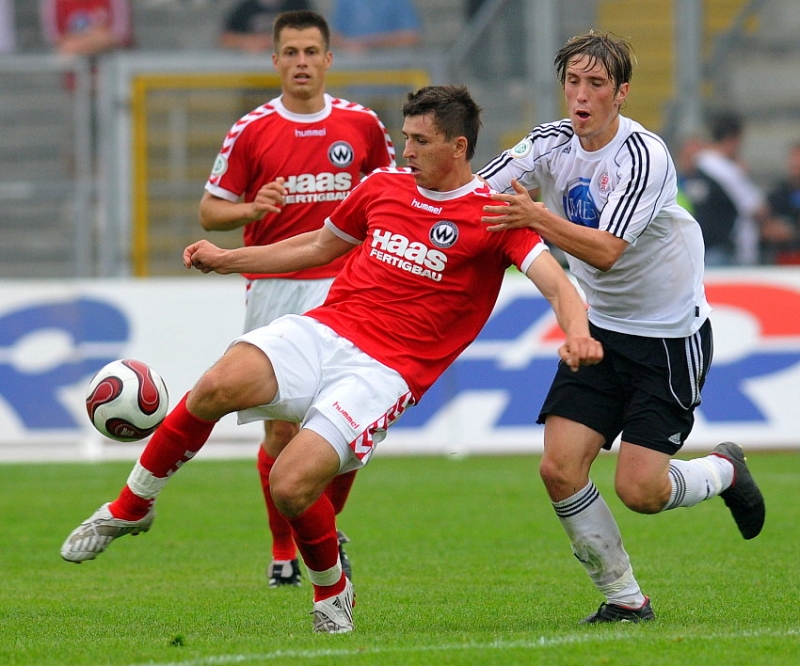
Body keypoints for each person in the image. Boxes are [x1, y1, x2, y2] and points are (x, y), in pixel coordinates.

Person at [60, 84, 604, 634]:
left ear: (458, 146)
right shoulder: (382, 186)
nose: (406, 151)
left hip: (385, 372)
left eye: (420, 141)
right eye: (405, 137)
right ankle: (133, 505)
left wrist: (577, 333)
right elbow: (318, 246)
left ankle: (331, 593)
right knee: (215, 385)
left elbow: (559, 287)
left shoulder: (495, 214)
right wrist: (230, 258)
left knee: (292, 484)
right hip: (325, 329)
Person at [478, 31, 766, 624]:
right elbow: (479, 192)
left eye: (596, 84)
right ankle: (625, 598)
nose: (581, 96)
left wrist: (533, 215)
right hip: (601, 330)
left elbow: (606, 250)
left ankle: (724, 469)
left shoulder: (644, 155)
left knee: (642, 492)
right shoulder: (550, 142)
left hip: (668, 338)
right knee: (558, 468)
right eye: (572, 82)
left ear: (622, 93)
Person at [200, 10, 396, 588]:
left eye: (312, 52)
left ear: (329, 59)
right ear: (275, 60)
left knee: (341, 422)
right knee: (281, 431)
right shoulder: (252, 129)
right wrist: (251, 209)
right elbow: (211, 212)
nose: (302, 62)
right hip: (275, 285)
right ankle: (284, 547)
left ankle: (325, 529)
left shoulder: (361, 125)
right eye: (291, 53)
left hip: (346, 283)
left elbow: (393, 194)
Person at [683, 111, 790, 266]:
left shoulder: (699, 164)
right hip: (724, 250)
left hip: (701, 247)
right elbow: (757, 208)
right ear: (734, 139)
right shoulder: (724, 169)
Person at [39, 0, 133, 57]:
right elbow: (59, 43)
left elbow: (119, 36)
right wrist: (97, 37)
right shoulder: (54, 2)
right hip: (73, 83)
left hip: (113, 81)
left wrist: (76, 42)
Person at [218, 0, 310, 53]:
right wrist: (246, 41)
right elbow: (225, 38)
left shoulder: (299, 5)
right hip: (254, 74)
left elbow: (314, 36)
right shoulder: (246, 7)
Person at [330, 0, 421, 52]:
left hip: (392, 73)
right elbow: (334, 37)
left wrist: (369, 44)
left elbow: (411, 37)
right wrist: (350, 46)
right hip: (356, 74)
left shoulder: (398, 2)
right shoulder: (346, 2)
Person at [765, 140, 800, 264]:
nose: (795, 162)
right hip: (781, 257)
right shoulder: (779, 191)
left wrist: (793, 233)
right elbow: (766, 222)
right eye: (793, 158)